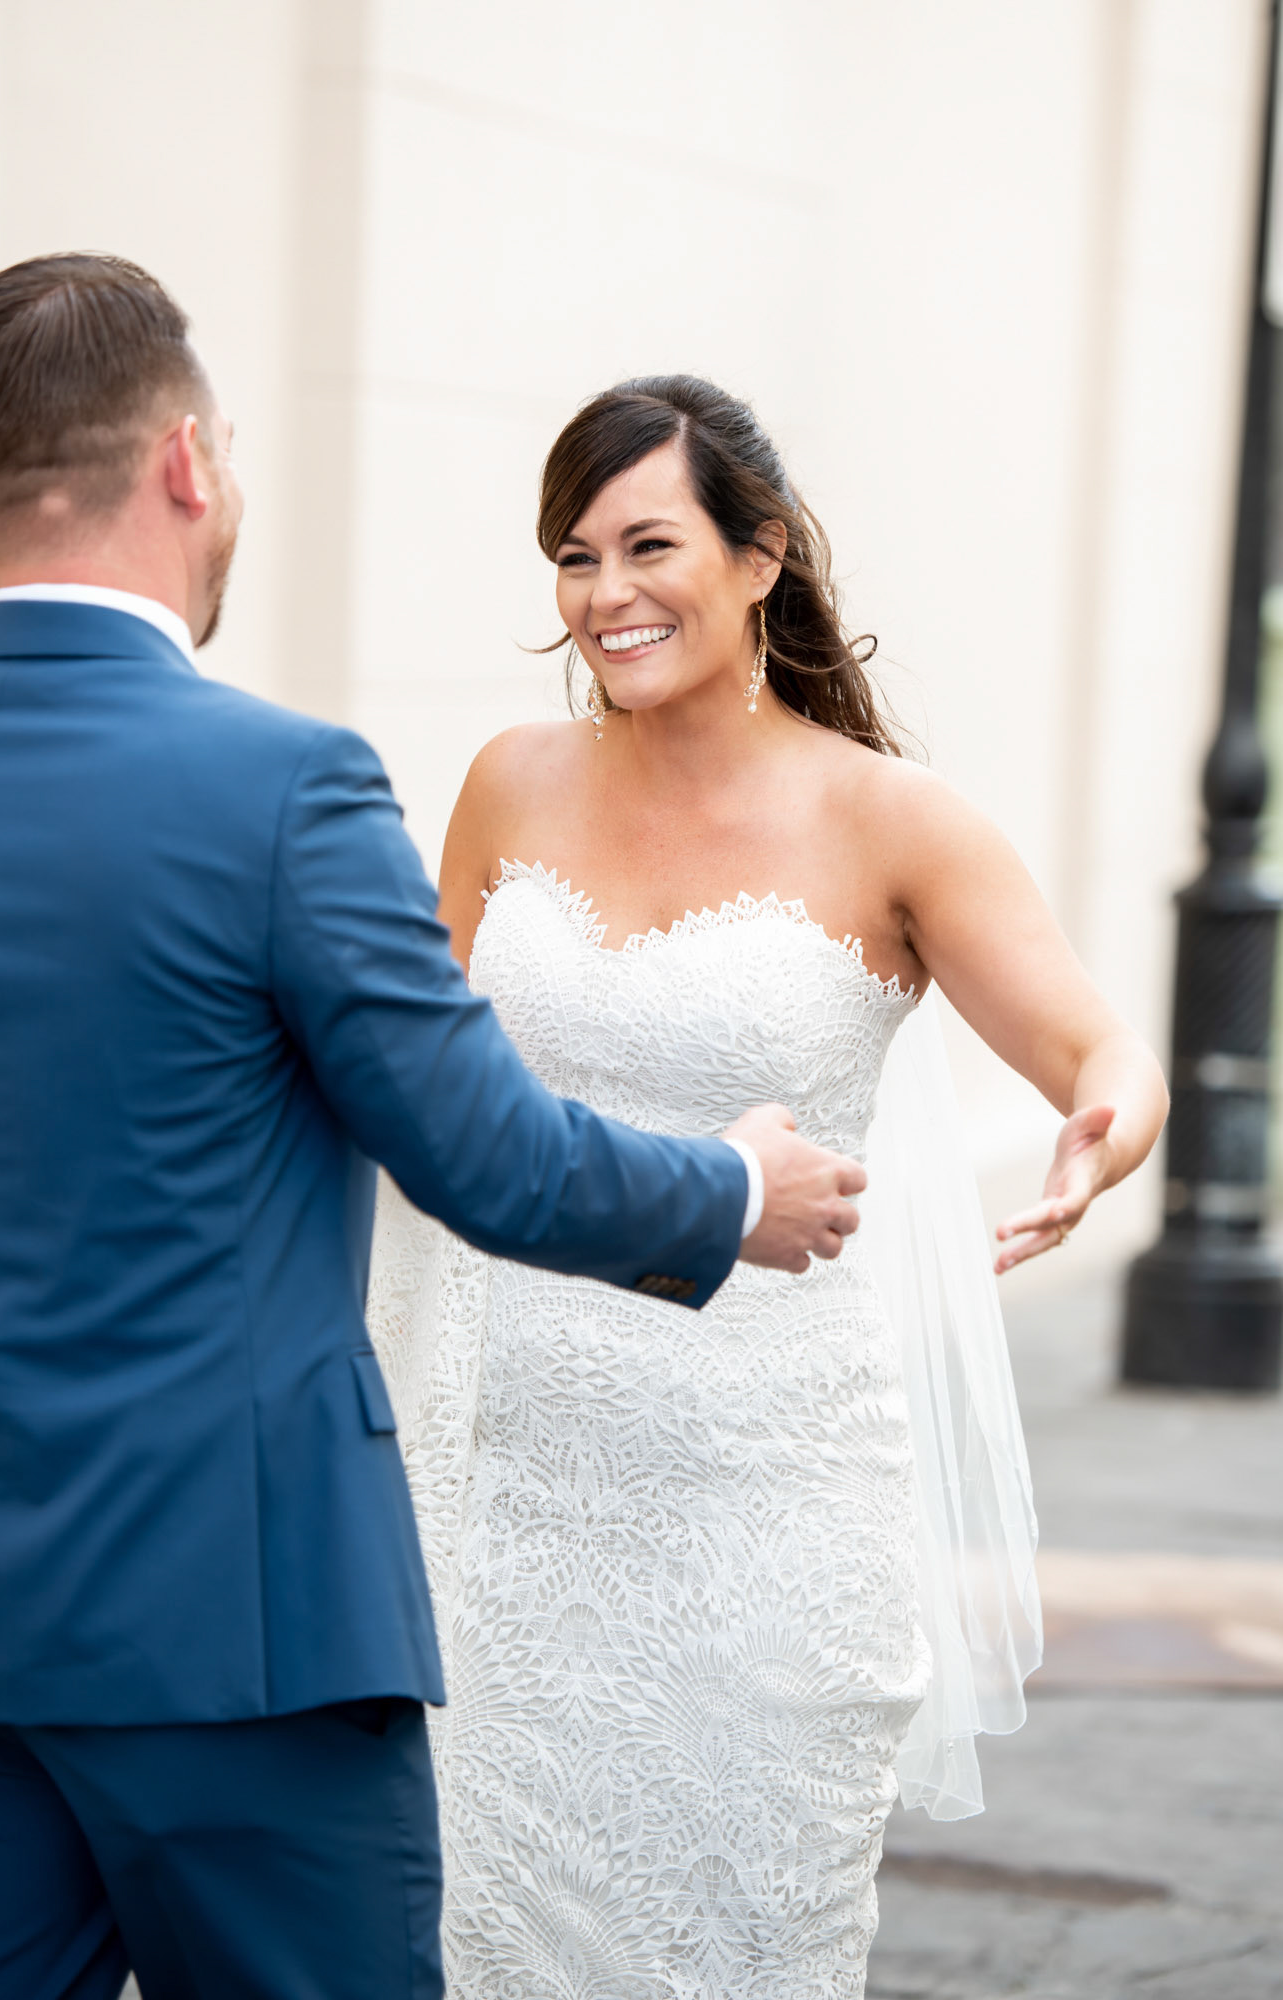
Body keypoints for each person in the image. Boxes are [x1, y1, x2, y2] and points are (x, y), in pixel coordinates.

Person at [0, 261, 865, 2000]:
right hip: (243, 1636)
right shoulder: (278, 786)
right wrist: (737, 1186)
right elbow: (489, 1156)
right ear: (190, 467)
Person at [370, 374, 1170, 1998]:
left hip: (767, 1512)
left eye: (648, 544)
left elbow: (1101, 1050)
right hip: (506, 1498)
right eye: (574, 557)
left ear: (762, 556)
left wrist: (1104, 1133)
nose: (607, 595)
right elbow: (415, 1076)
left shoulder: (896, 820)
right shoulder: (507, 783)